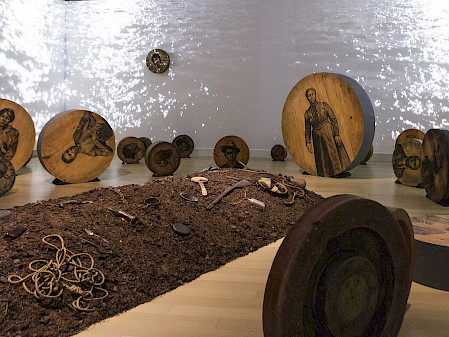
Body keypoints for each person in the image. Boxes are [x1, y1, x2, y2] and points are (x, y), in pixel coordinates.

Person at [304, 88, 350, 176]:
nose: (311, 97)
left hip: (328, 131)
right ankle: (325, 173)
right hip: (317, 136)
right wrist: (308, 142)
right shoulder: (307, 113)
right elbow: (307, 129)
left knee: (332, 152)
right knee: (321, 157)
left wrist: (336, 134)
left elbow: (333, 118)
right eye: (309, 96)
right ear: (307, 98)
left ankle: (337, 172)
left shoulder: (324, 105)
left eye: (312, 94)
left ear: (315, 95)